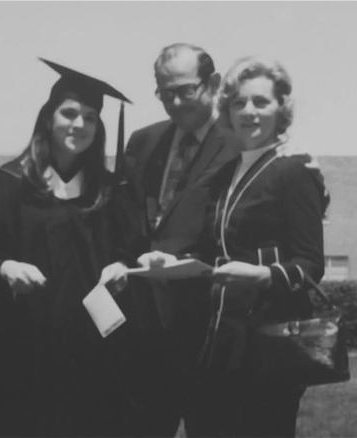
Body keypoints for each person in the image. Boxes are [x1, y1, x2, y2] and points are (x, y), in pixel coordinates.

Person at [0, 58, 144, 437]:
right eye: (69, 113)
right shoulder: (8, 185)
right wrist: (3, 268)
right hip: (23, 356)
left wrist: (122, 267)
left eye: (89, 117)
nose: (79, 125)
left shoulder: (112, 192)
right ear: (48, 118)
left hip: (94, 357)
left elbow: (131, 252)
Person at [169, 56, 328, 437]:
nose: (249, 112)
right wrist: (175, 261)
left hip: (269, 342)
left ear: (281, 109)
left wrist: (263, 274)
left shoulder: (294, 169)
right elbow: (215, 246)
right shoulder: (225, 173)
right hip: (219, 339)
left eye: (261, 102)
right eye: (238, 103)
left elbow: (310, 262)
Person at [119, 42, 241, 437]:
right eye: (164, 91)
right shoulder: (143, 143)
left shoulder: (240, 143)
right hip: (146, 331)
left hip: (208, 329)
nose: (173, 101)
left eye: (185, 90)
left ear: (214, 83)